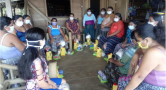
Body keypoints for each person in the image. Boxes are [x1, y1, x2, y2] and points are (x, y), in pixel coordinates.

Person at [118, 25, 166, 90]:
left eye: (138, 40)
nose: (138, 43)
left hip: (154, 87)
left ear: (146, 40)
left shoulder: (154, 52)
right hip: (147, 82)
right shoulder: (154, 46)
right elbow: (140, 49)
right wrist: (136, 54)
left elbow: (139, 77)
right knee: (122, 80)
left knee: (123, 83)